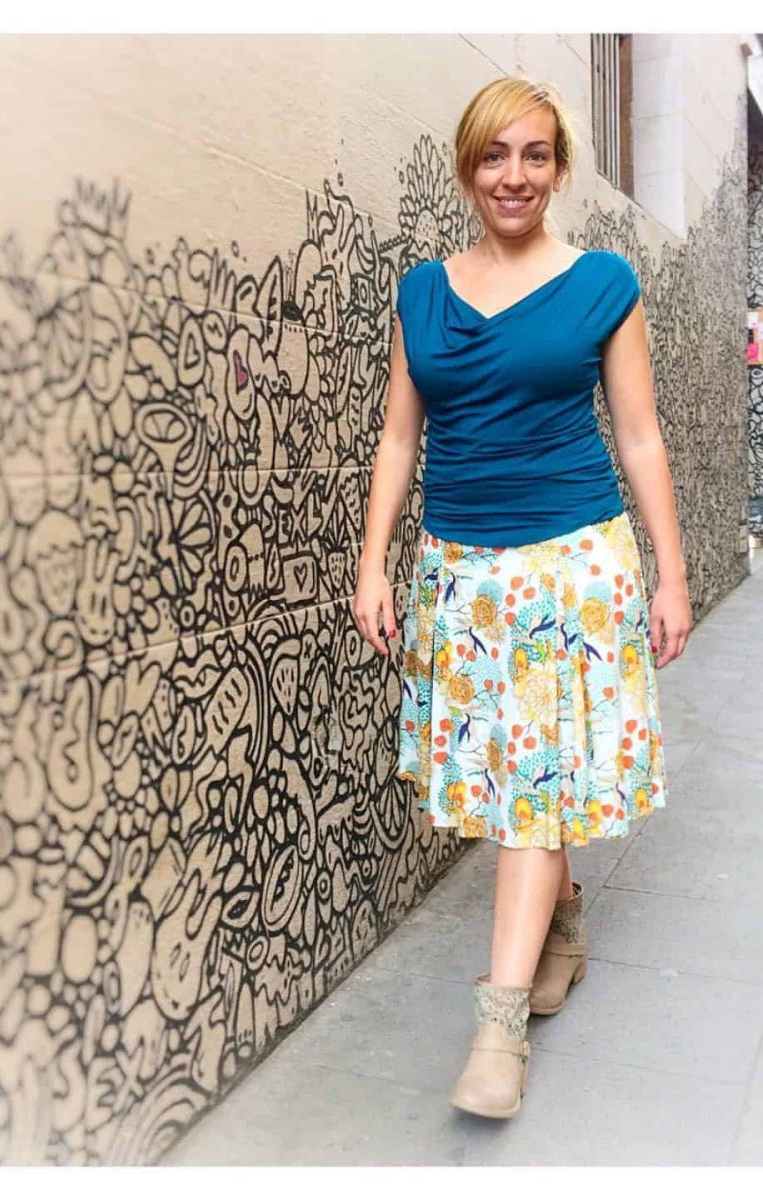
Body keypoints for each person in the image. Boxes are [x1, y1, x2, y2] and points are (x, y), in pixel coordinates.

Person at [352, 76, 692, 1120]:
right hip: (460, 573)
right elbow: (400, 438)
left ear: (559, 168)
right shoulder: (422, 293)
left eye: (535, 155)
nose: (515, 176)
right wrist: (373, 562)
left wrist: (672, 573)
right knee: (521, 777)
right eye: (495, 155)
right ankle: (564, 926)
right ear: (468, 167)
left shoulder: (601, 284)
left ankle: (498, 1030)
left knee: (533, 785)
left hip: (572, 566)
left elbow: (639, 434)